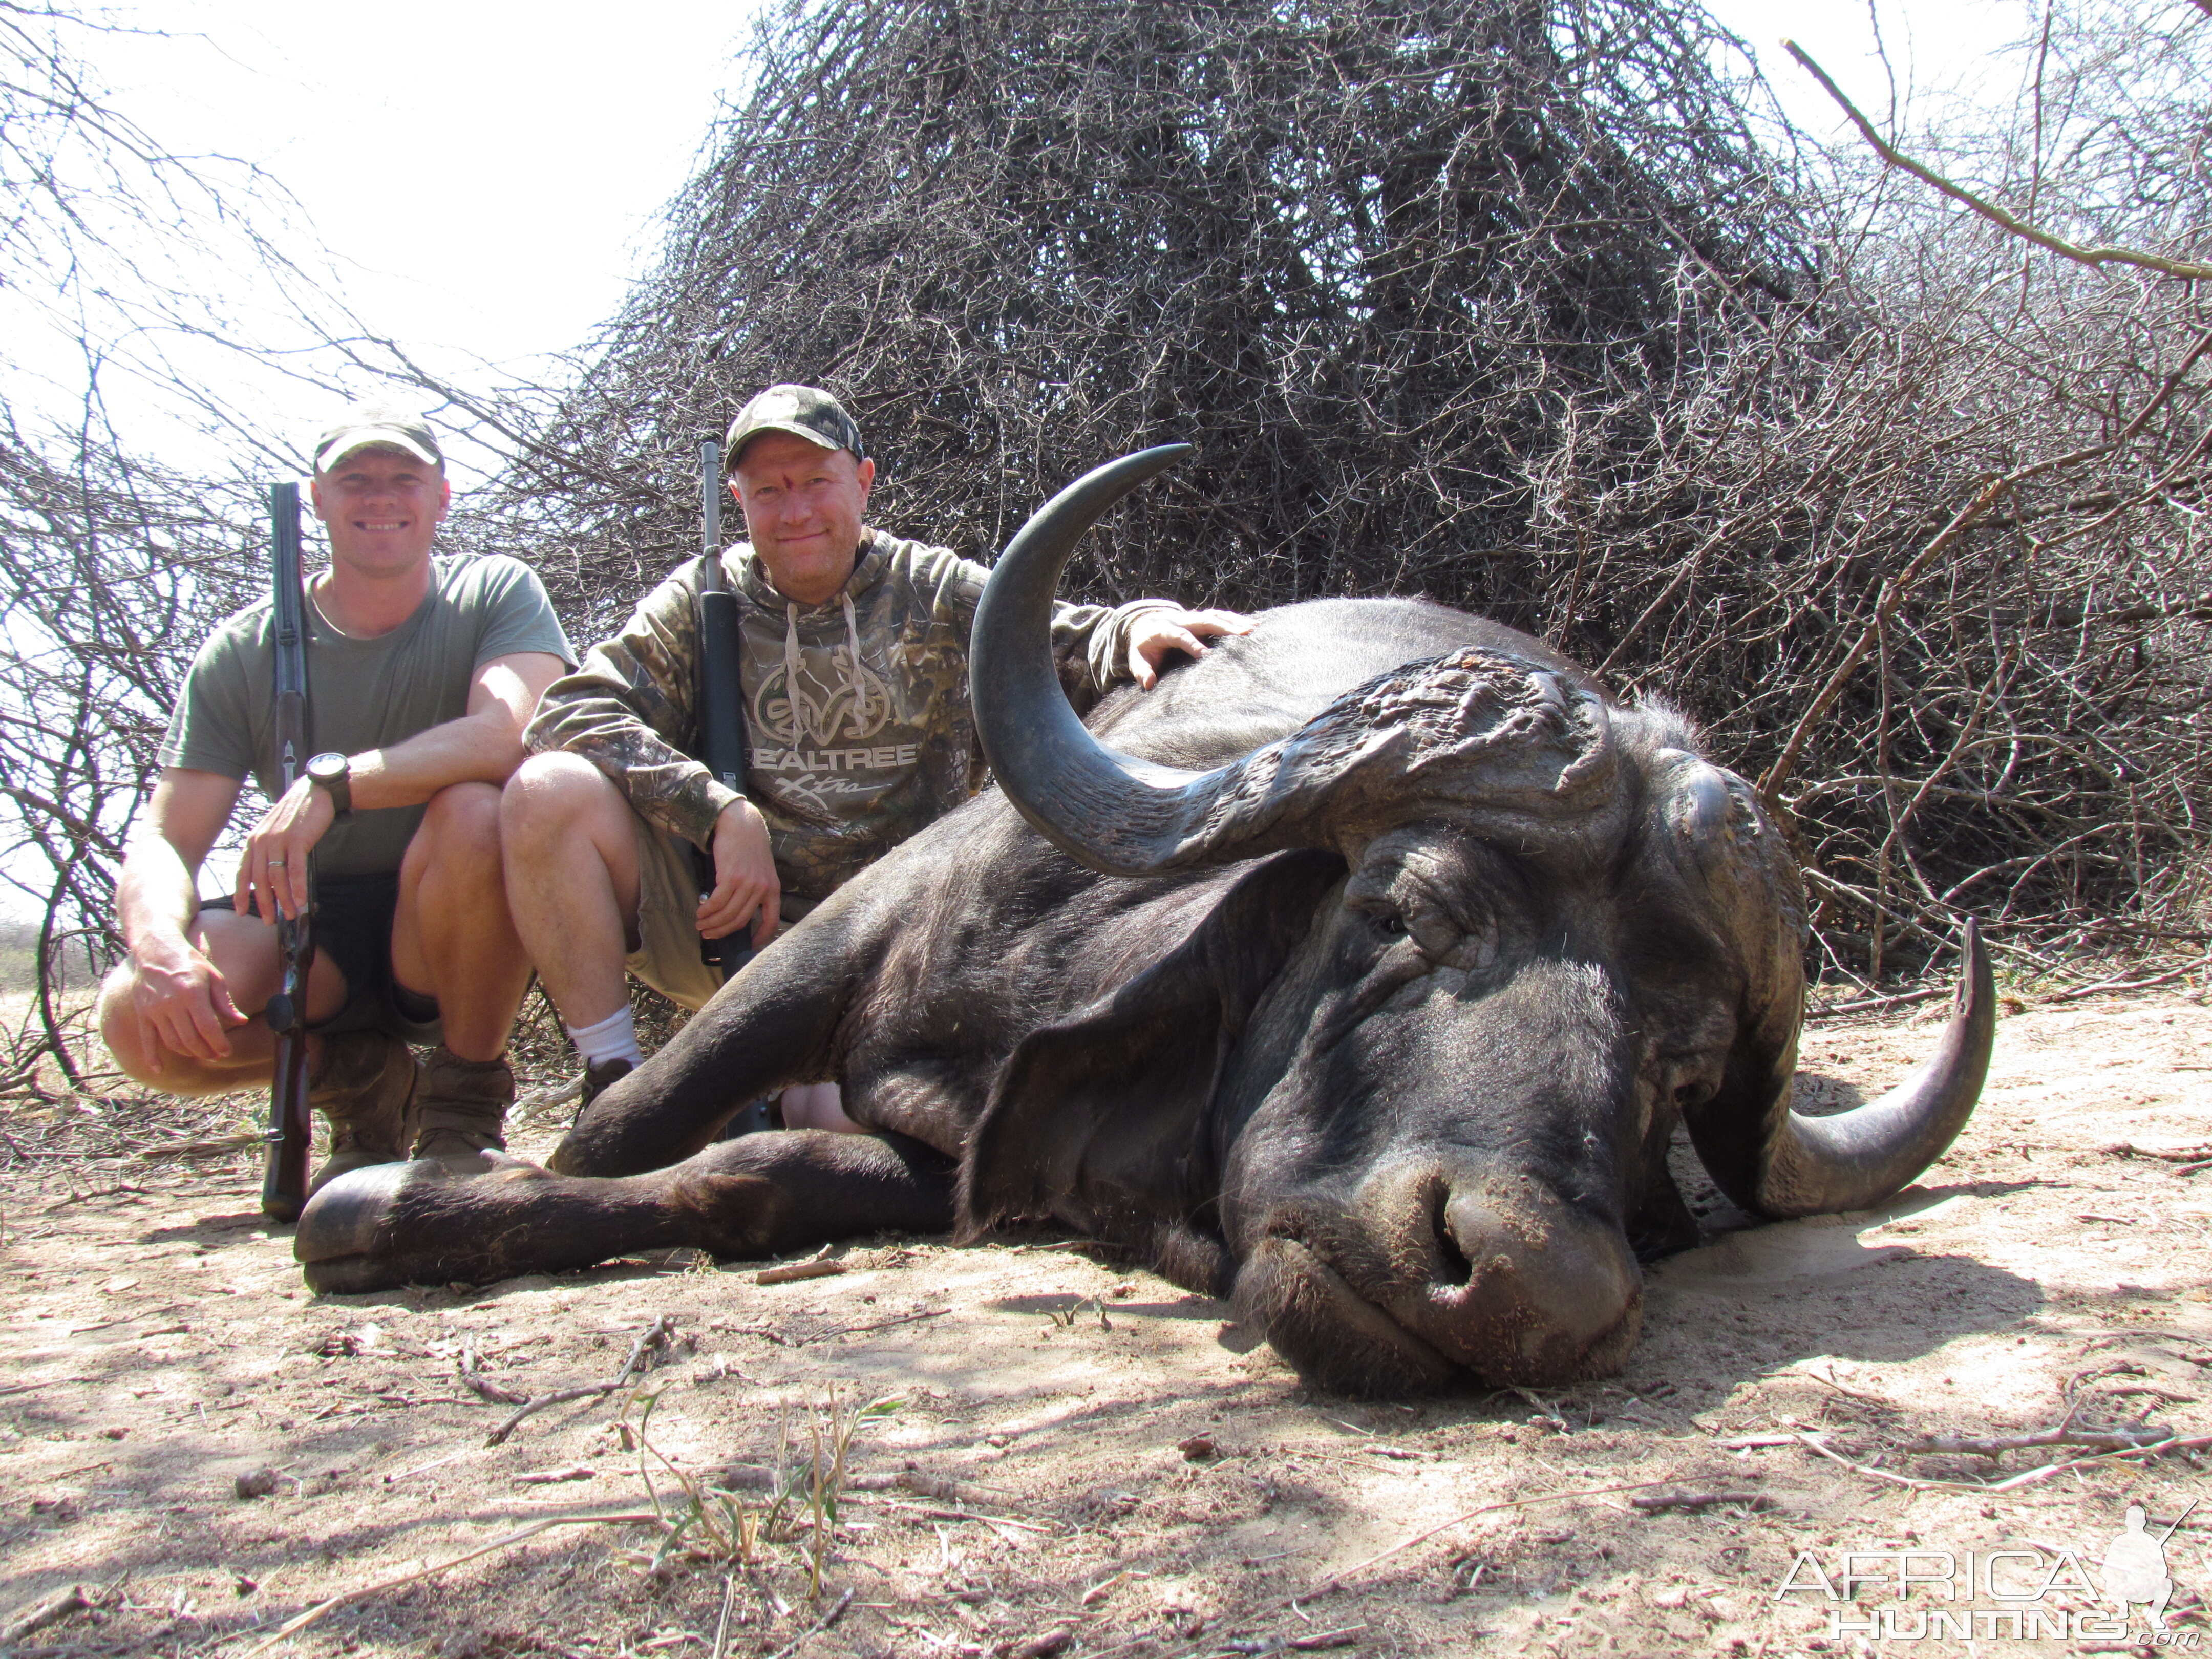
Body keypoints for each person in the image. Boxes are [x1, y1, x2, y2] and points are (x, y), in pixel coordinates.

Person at [505, 384, 1249, 1119]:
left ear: (863, 483)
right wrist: (718, 811)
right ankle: (614, 1085)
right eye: (768, 490)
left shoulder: (930, 587)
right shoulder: (702, 600)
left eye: (815, 483)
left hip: (887, 951)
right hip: (729, 923)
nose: (794, 511)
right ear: (739, 501)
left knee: (837, 1122)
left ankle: (775, 1092)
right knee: (546, 793)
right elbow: (566, 711)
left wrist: (1143, 624)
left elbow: (1065, 633)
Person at [98, 403, 576, 1186]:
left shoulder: (494, 591)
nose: (379, 497)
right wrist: (160, 948)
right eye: (354, 480)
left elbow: (507, 734)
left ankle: (461, 1107)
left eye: (403, 479)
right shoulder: (243, 650)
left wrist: (334, 784)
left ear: (443, 497)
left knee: (476, 811)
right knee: (134, 1023)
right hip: (303, 924)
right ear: (317, 500)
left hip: (441, 911)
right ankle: (353, 1078)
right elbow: (164, 838)